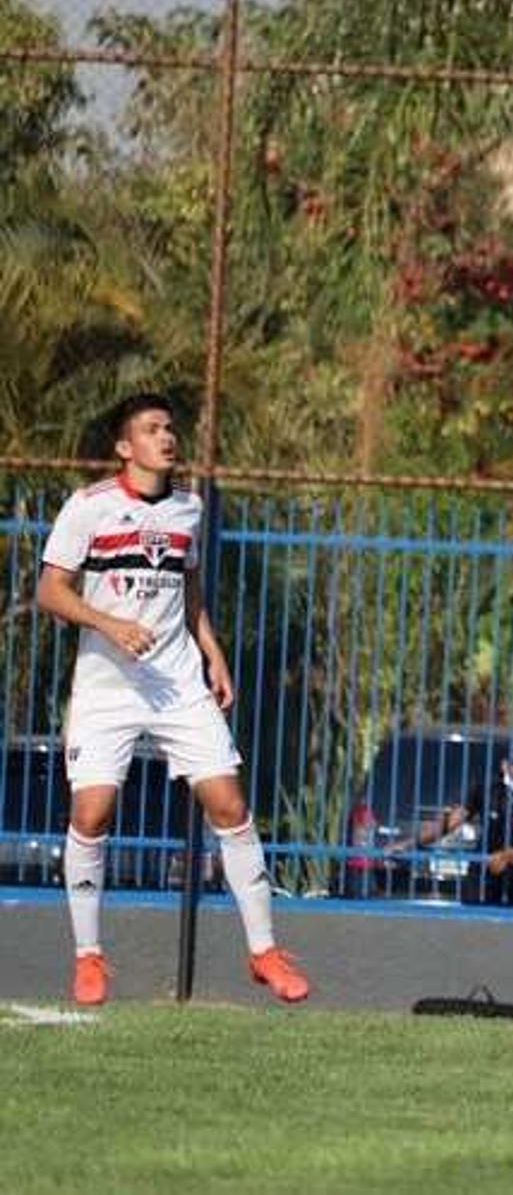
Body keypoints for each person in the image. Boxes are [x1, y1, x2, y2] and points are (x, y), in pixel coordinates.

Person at [36, 393, 309, 1006]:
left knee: (228, 802)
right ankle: (88, 958)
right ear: (124, 447)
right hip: (108, 685)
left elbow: (189, 594)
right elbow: (50, 593)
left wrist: (210, 650)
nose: (167, 437)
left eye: (170, 428)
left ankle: (263, 950)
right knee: (92, 814)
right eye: (152, 429)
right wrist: (109, 623)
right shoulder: (89, 508)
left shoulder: (189, 509)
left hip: (176, 681)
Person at [397, 738, 513, 907]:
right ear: (504, 764)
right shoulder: (487, 788)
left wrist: (509, 855)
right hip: (481, 879)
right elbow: (451, 823)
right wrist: (409, 843)